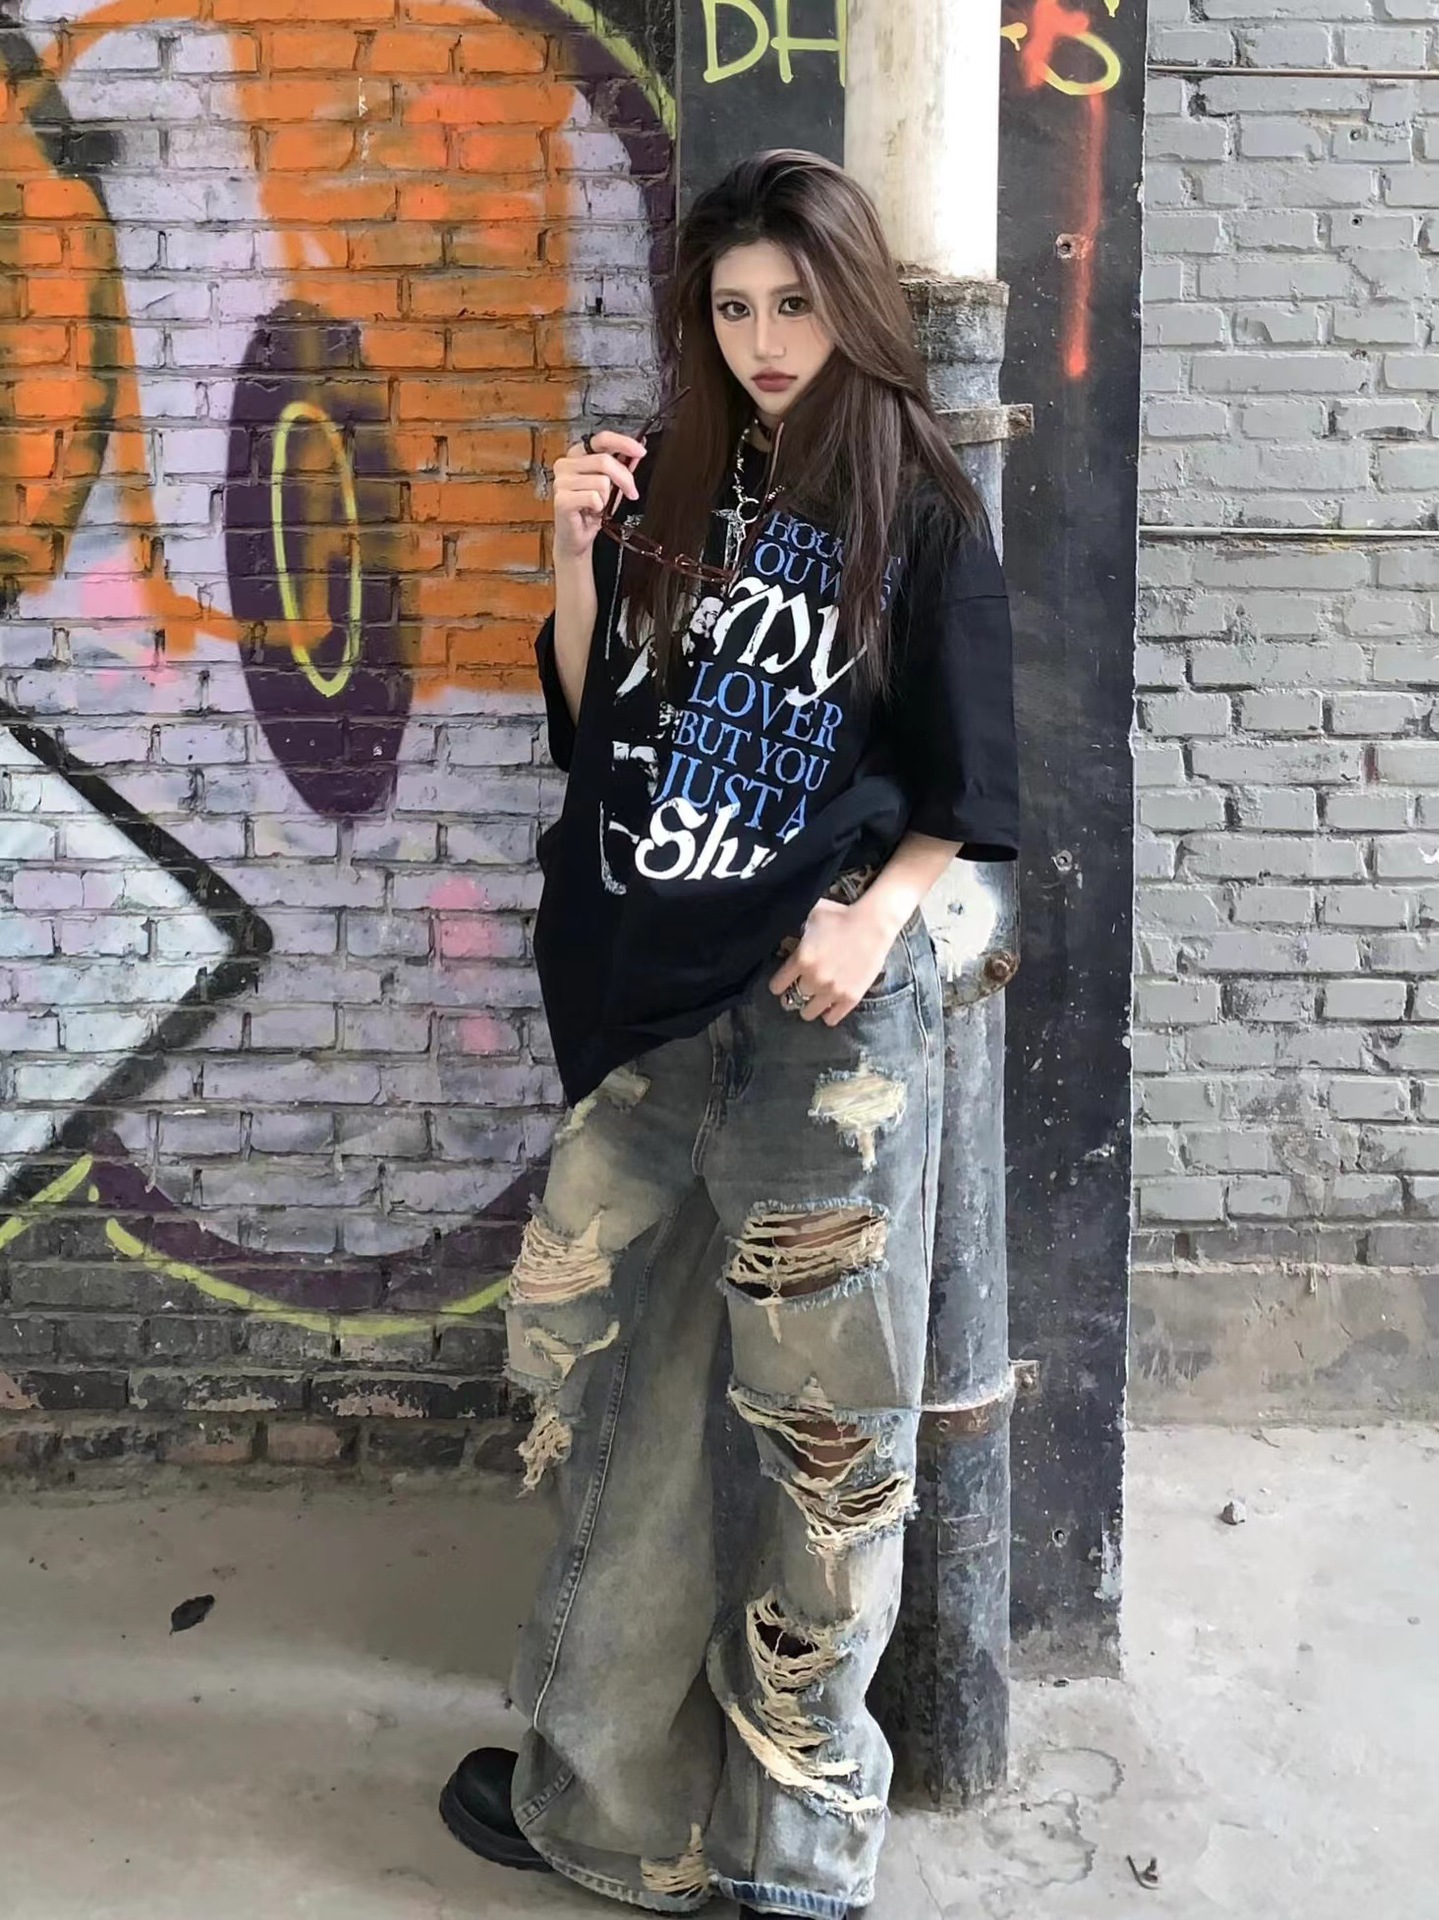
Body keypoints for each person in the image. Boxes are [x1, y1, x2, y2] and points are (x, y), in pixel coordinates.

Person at [438, 149, 1020, 1920]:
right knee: (609, 1397)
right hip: (647, 1015)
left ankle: (805, 1861)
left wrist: (873, 912)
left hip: (819, 1034)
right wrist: (571, 555)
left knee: (825, 1449)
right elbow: (591, 717)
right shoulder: (679, 480)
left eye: (799, 305)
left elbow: (970, 785)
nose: (768, 340)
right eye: (737, 307)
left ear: (857, 308)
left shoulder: (917, 503)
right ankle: (611, 1810)